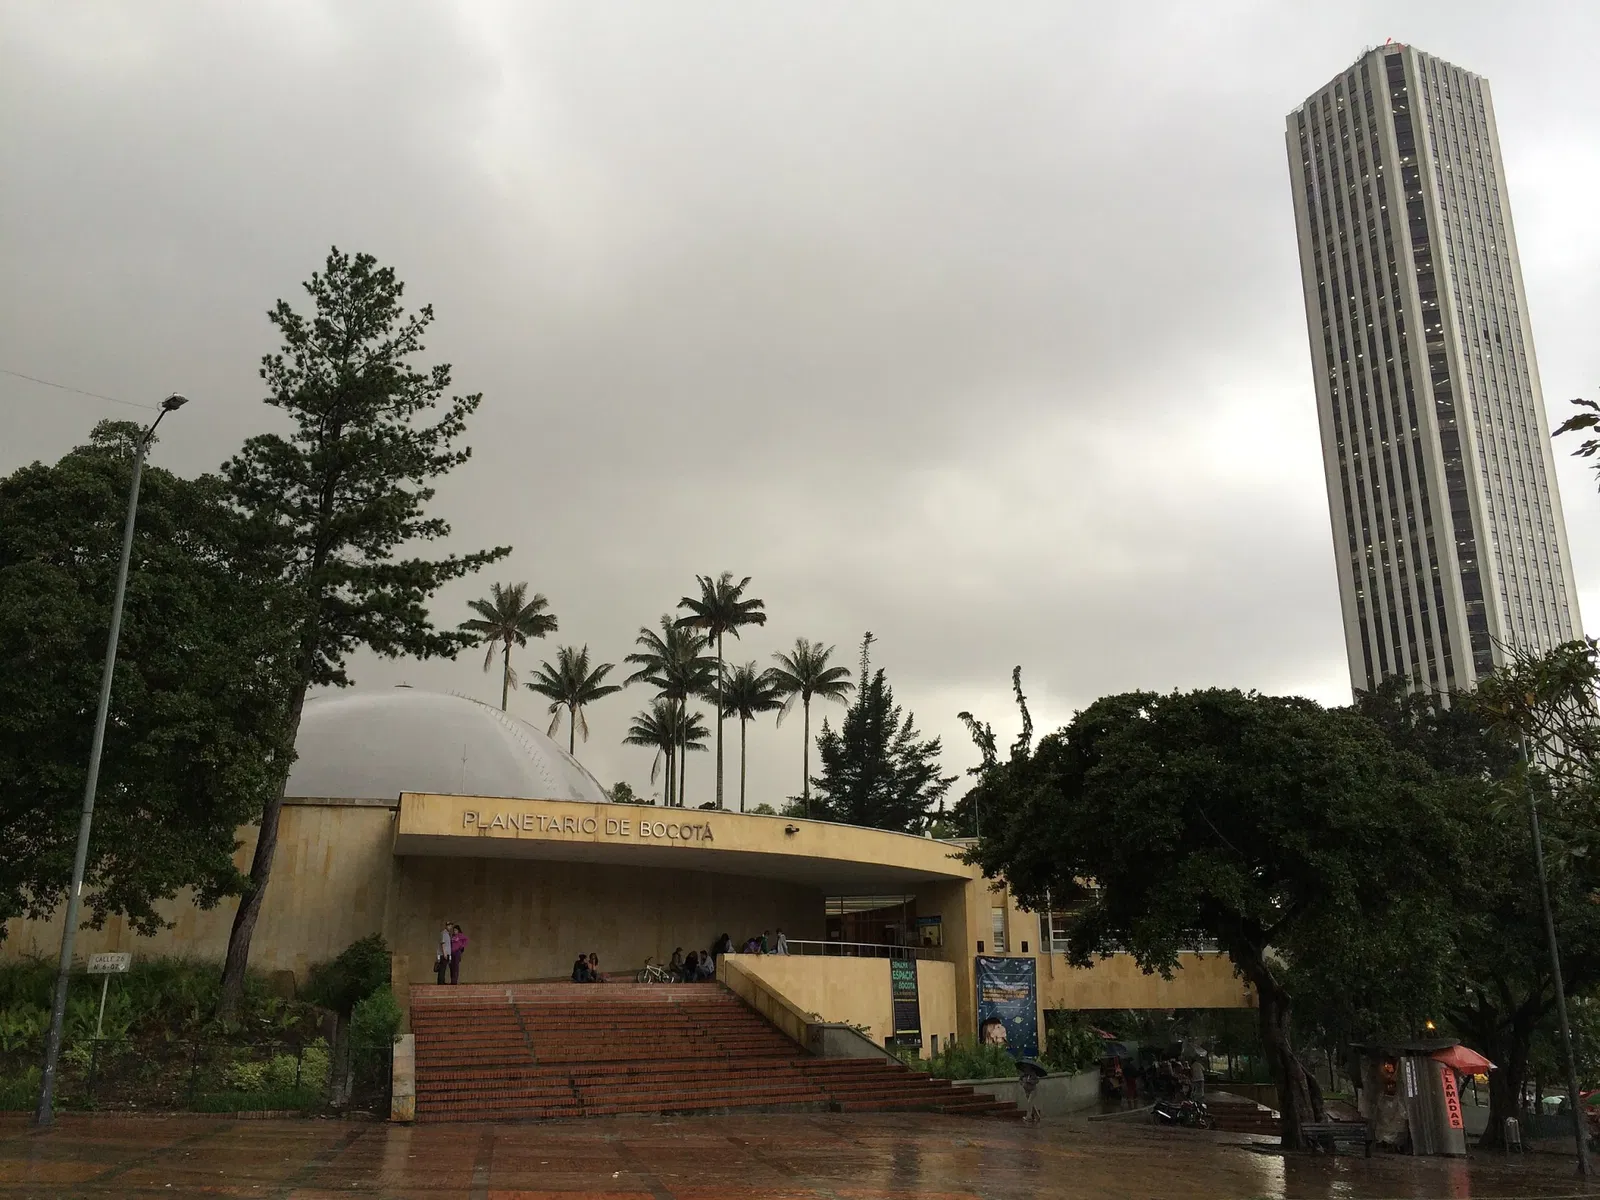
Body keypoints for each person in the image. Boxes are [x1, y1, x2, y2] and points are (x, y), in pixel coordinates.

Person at [435, 921, 452, 985]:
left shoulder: (447, 934)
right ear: (446, 926)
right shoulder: (443, 933)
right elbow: (443, 943)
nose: (450, 927)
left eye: (450, 926)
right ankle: (441, 982)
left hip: (446, 954)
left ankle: (441, 981)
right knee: (442, 968)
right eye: (448, 925)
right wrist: (445, 953)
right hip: (442, 954)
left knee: (443, 968)